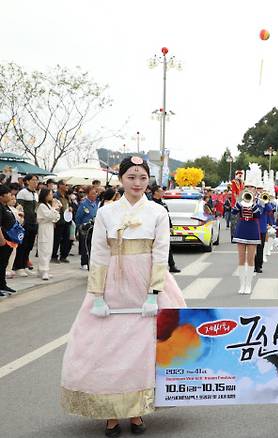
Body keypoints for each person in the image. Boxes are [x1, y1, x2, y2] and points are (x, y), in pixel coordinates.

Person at [61, 156, 186, 436]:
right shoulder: (106, 213)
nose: (137, 183)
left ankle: (137, 411)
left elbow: (160, 253)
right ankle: (111, 413)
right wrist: (97, 294)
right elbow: (100, 255)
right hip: (114, 285)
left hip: (147, 284)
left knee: (144, 350)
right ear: (121, 179)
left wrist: (154, 293)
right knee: (108, 349)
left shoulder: (157, 212)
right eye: (131, 177)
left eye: (142, 177)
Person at [231, 164, 262, 294]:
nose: (249, 189)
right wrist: (240, 204)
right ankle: (242, 285)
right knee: (241, 259)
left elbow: (259, 214)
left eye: (252, 188)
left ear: (255, 190)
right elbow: (233, 212)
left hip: (253, 230)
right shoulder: (241, 200)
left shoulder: (258, 201)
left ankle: (248, 285)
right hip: (242, 228)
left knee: (250, 259)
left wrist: (253, 203)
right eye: (247, 187)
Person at [151, 185, 181, 273]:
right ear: (155, 192)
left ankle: (172, 265)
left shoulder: (163, 203)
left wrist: (170, 226)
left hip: (164, 228)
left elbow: (167, 216)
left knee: (167, 247)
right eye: (160, 191)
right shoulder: (151, 204)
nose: (162, 193)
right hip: (154, 229)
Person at [14, 174, 39, 277]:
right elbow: (19, 208)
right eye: (33, 180)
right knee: (22, 246)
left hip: (34, 223)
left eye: (36, 180)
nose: (35, 182)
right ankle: (18, 267)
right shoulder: (22, 193)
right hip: (25, 223)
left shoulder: (36, 194)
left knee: (29, 246)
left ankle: (24, 265)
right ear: (27, 181)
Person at [36, 188, 61, 280]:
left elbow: (56, 217)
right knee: (44, 249)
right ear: (45, 195)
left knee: (48, 248)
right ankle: (44, 270)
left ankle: (42, 269)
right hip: (44, 227)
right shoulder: (42, 205)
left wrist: (53, 212)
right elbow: (50, 216)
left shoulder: (48, 206)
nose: (52, 196)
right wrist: (54, 209)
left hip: (50, 226)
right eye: (50, 194)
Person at [75, 186, 98, 271]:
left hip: (93, 228)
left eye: (95, 193)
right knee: (85, 246)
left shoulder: (95, 204)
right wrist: (79, 228)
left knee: (92, 246)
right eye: (92, 193)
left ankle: (90, 262)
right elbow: (78, 217)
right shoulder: (84, 204)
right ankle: (83, 262)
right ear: (88, 194)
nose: (94, 195)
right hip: (85, 229)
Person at [0, 185, 17, 298]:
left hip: (10, 240)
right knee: (0, 264)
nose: (10, 196)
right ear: (1, 196)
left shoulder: (5, 206)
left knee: (3, 264)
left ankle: (2, 284)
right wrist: (1, 239)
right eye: (8, 194)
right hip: (3, 240)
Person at [52, 180, 73, 264]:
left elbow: (68, 205)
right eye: (65, 185)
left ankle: (63, 256)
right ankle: (53, 256)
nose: (67, 186)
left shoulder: (67, 196)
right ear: (60, 185)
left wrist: (71, 208)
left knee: (66, 239)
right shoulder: (55, 196)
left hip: (66, 220)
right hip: (58, 220)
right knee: (56, 239)